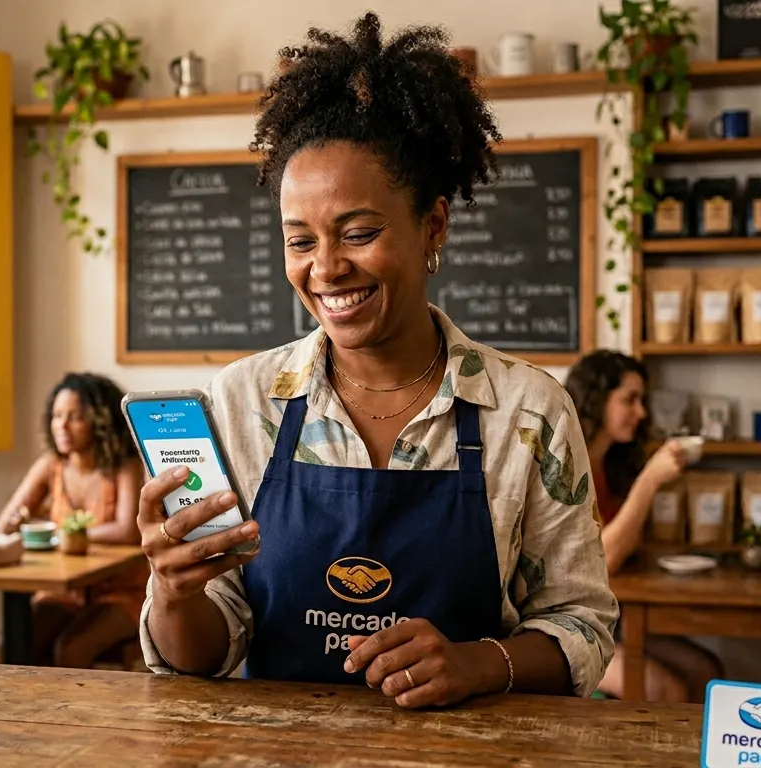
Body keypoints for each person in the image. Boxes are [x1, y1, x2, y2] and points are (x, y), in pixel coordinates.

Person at [134, 12, 618, 708]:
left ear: (434, 225)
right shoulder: (242, 401)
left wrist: (478, 664)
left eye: (358, 233)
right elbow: (204, 657)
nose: (326, 269)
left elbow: (584, 625)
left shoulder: (528, 411)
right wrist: (175, 593)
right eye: (300, 242)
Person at [564, 351, 723, 703]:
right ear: (596, 400)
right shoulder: (569, 464)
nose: (642, 413)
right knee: (667, 689)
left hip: (612, 616)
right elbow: (604, 562)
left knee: (705, 671)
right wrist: (650, 479)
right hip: (569, 626)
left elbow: (624, 545)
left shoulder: (609, 463)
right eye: (630, 400)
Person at [0, 372, 148, 669]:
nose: (62, 427)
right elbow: (5, 526)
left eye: (75, 417)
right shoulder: (50, 466)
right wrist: (23, 519)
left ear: (101, 421)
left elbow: (126, 530)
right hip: (64, 590)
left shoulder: (124, 466)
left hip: (121, 592)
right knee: (13, 645)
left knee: (71, 648)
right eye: (56, 416)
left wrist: (60, 531)